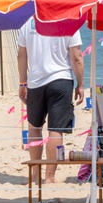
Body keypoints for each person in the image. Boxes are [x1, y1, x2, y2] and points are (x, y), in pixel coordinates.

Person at [16, 19, 84, 186]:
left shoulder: (27, 21)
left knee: (34, 127)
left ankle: (35, 175)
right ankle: (50, 177)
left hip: (35, 82)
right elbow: (76, 57)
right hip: (60, 79)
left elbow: (21, 54)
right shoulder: (70, 21)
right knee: (55, 130)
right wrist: (81, 84)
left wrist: (23, 82)